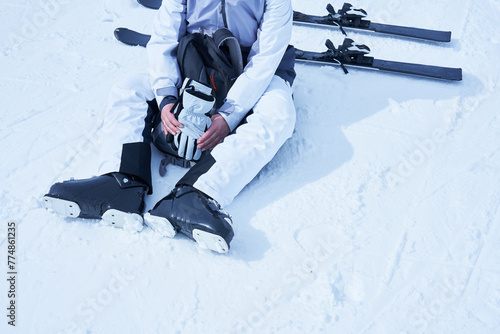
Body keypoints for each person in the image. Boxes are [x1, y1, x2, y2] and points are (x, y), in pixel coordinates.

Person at [43, 0, 296, 253]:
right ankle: (123, 182)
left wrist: (228, 115)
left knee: (279, 113)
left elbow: (264, 59)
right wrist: (167, 99)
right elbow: (165, 37)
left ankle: (195, 195)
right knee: (130, 87)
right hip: (198, 60)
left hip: (253, 69)